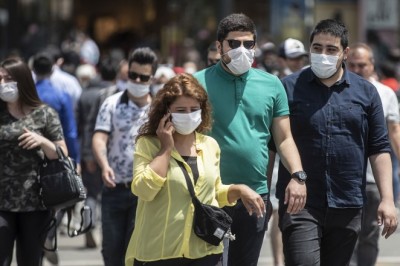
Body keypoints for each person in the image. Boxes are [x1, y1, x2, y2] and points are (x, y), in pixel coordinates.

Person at [275, 19, 398, 266]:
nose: (323, 55)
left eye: (331, 49)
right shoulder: (287, 88)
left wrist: (388, 199)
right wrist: (265, 196)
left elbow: (379, 148)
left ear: (345, 53)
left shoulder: (366, 92)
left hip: (347, 201)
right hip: (300, 201)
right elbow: (271, 145)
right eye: (317, 48)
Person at [193, 13, 306, 266]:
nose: (242, 50)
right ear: (219, 45)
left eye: (248, 44)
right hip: (208, 194)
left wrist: (298, 175)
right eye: (234, 43)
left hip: (255, 196)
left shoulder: (272, 84)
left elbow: (284, 138)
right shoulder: (196, 83)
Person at [125, 73, 265, 266]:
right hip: (159, 253)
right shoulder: (148, 144)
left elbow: (213, 193)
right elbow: (144, 190)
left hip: (205, 250)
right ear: (166, 112)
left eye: (194, 109)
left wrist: (238, 190)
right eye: (181, 110)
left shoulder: (210, 145)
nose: (188, 115)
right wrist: (166, 149)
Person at [92, 47, 158, 266]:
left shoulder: (159, 108)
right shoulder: (111, 103)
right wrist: (104, 165)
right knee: (111, 251)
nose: (137, 80)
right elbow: (99, 137)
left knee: (139, 252)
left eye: (143, 77)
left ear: (152, 78)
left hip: (147, 192)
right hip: (115, 188)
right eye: (133, 75)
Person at [0, 57, 67, 265]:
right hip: (1, 203)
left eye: (8, 79)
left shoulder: (45, 114)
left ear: (23, 80)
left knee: (30, 260)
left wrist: (42, 142)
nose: (3, 84)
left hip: (36, 203)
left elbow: (63, 154)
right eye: (0, 79)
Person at [347, 43, 400, 266]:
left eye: (363, 65)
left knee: (368, 234)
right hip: (345, 178)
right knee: (345, 234)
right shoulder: (338, 89)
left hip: (372, 178)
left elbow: (394, 131)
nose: (358, 69)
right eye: (353, 65)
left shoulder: (385, 93)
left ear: (372, 65)